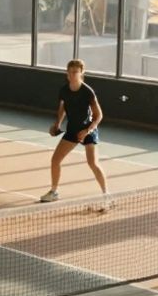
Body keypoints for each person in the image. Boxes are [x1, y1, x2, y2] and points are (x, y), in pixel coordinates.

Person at [39, 59, 108, 205]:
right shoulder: (64, 90)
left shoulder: (88, 92)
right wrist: (57, 124)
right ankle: (54, 192)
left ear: (82, 73)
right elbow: (62, 107)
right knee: (55, 160)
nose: (72, 75)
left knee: (93, 163)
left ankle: (106, 195)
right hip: (72, 129)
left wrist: (87, 130)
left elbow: (99, 115)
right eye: (69, 72)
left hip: (88, 130)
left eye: (75, 72)